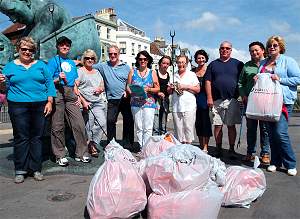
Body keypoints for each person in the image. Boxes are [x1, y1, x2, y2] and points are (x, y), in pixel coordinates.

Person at [0, 37, 56, 183]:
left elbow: (49, 83)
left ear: (34, 51)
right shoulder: (9, 67)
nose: (27, 52)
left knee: (36, 137)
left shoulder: (41, 65)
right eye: (24, 49)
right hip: (17, 105)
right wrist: (1, 84)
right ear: (18, 50)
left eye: (30, 50)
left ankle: (35, 169)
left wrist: (50, 101)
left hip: (39, 104)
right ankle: (20, 169)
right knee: (21, 136)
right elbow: (4, 88)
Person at [259, 36, 300, 176]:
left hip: (283, 101)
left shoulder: (288, 61)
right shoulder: (263, 62)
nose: (272, 47)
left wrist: (280, 79)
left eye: (275, 45)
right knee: (271, 134)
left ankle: (290, 163)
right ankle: (275, 162)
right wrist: (257, 79)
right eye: (269, 45)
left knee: (280, 133)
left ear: (280, 47)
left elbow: (297, 79)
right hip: (266, 101)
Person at [48, 36, 90, 166]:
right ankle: (59, 155)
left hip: (70, 92)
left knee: (79, 124)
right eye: (62, 45)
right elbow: (47, 81)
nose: (65, 47)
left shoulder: (71, 63)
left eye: (67, 45)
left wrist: (78, 96)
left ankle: (81, 153)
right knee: (58, 125)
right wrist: (57, 79)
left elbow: (75, 83)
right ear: (57, 46)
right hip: (57, 92)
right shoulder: (53, 61)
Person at [205, 41, 244, 158]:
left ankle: (231, 149)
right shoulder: (213, 64)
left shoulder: (238, 64)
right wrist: (209, 97)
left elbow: (242, 81)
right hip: (216, 100)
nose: (225, 50)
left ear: (231, 50)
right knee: (217, 125)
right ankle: (218, 148)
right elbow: (208, 81)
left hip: (232, 100)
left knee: (231, 125)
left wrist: (241, 96)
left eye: (227, 48)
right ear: (219, 50)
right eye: (222, 48)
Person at [93, 45, 134, 148]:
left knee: (128, 121)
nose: (113, 55)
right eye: (110, 54)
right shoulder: (103, 66)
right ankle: (111, 143)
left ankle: (127, 143)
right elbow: (89, 65)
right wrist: (78, 62)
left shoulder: (126, 67)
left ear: (118, 54)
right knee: (110, 121)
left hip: (125, 98)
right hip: (112, 99)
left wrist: (127, 90)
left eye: (115, 53)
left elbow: (129, 82)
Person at [238, 41, 270, 164]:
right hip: (250, 101)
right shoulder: (247, 65)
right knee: (251, 128)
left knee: (265, 129)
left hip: (265, 101)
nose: (254, 52)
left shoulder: (269, 64)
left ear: (262, 50)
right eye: (251, 51)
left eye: (256, 50)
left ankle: (265, 153)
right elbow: (240, 83)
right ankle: (250, 153)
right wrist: (243, 95)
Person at [76, 49, 106, 158]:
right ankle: (90, 146)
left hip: (97, 101)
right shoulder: (80, 71)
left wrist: (100, 89)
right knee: (88, 126)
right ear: (84, 60)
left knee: (102, 123)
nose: (90, 60)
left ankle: (92, 142)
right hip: (86, 103)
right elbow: (75, 87)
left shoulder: (97, 72)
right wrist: (83, 102)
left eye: (92, 58)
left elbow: (102, 85)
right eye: (87, 58)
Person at [127, 50, 160, 148]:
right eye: (140, 59)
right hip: (135, 102)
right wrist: (132, 92)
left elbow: (157, 88)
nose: (142, 61)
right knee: (139, 127)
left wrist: (149, 89)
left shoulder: (152, 72)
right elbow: (128, 86)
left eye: (145, 59)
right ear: (137, 60)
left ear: (148, 60)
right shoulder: (132, 71)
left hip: (148, 103)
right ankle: (142, 147)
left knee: (148, 128)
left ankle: (147, 148)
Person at [168, 55, 200, 144]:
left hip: (189, 106)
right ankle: (180, 150)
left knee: (188, 128)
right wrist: (171, 88)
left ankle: (188, 149)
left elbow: (198, 89)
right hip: (176, 106)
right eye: (179, 62)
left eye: (183, 62)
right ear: (176, 63)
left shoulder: (191, 74)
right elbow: (169, 92)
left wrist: (185, 86)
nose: (181, 64)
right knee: (178, 129)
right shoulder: (173, 75)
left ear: (186, 63)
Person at [192, 50, 212, 153]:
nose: (201, 60)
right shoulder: (192, 71)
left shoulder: (209, 70)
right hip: (194, 99)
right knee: (198, 123)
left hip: (205, 98)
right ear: (196, 59)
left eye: (202, 58)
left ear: (206, 59)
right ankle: (200, 145)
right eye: (199, 58)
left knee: (206, 123)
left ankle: (205, 146)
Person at [153, 55, 171, 135]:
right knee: (155, 125)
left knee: (163, 125)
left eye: (167, 64)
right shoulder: (154, 73)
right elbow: (150, 86)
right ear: (160, 63)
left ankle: (162, 143)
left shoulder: (168, 75)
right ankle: (155, 143)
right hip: (155, 100)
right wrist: (157, 92)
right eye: (164, 63)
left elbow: (168, 90)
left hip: (165, 100)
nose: (165, 65)